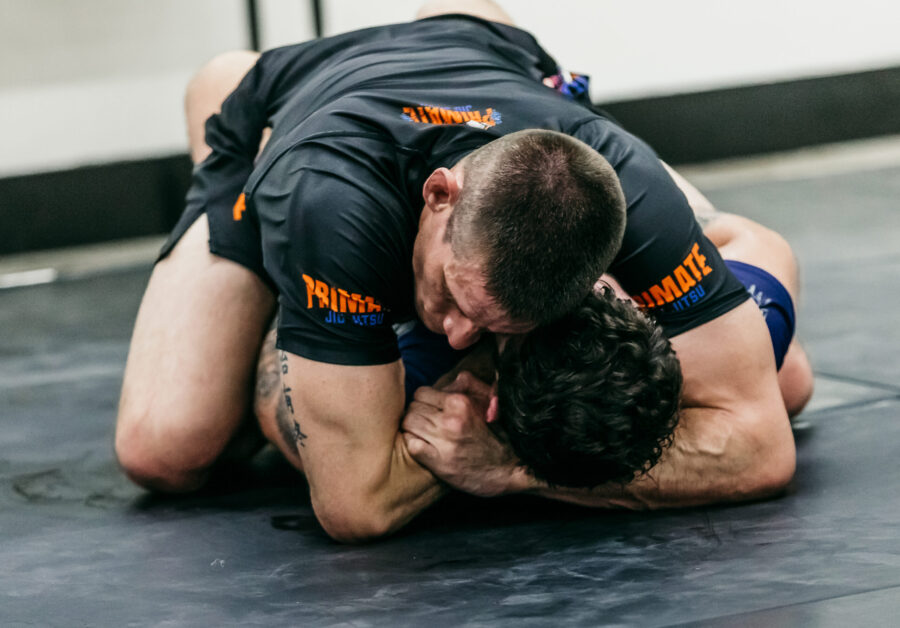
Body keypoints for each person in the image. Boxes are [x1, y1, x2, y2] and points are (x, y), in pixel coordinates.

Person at [115, 0, 812, 541]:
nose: (454, 335)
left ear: (596, 276)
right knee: (166, 447)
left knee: (787, 378)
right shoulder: (331, 206)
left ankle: (473, 37)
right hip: (285, 120)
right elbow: (354, 506)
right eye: (453, 296)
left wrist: (512, 467)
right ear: (438, 198)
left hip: (495, 69)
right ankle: (236, 79)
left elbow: (763, 453)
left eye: (488, 324)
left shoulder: (624, 187)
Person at [401, 209, 813, 504]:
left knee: (782, 370)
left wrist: (512, 469)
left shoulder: (706, 311)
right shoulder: (443, 361)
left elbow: (756, 242)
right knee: (788, 379)